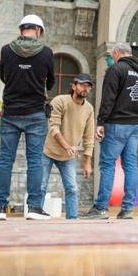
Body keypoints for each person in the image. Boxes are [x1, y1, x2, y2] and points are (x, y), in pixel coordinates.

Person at [0, 14, 55, 221]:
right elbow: (51, 82)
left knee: (5, 161)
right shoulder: (46, 53)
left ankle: (0, 208)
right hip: (35, 113)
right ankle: (34, 208)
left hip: (10, 113)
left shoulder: (6, 50)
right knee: (35, 161)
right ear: (38, 31)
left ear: (21, 30)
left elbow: (3, 76)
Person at [86, 43, 138, 220]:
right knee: (130, 165)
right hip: (135, 124)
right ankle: (127, 209)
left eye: (112, 55)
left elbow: (108, 98)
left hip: (117, 123)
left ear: (116, 53)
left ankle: (101, 208)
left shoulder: (116, 69)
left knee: (107, 164)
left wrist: (101, 122)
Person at [42, 73, 96, 220]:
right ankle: (36, 216)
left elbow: (89, 137)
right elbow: (53, 128)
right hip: (48, 151)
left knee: (72, 188)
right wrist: (67, 146)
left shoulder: (89, 109)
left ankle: (72, 219)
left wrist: (87, 163)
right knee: (41, 186)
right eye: (82, 85)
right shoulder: (60, 101)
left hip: (68, 156)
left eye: (88, 86)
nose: (85, 88)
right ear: (73, 86)